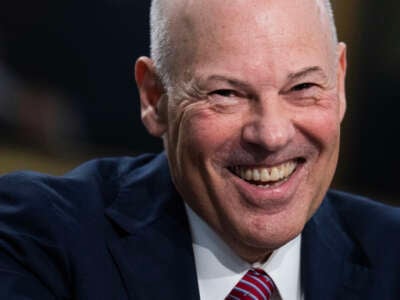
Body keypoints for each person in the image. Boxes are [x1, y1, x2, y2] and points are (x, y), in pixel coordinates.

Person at [0, 0, 399, 299]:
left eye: (303, 88)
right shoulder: (39, 238)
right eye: (226, 93)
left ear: (340, 82)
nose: (272, 134)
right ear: (155, 98)